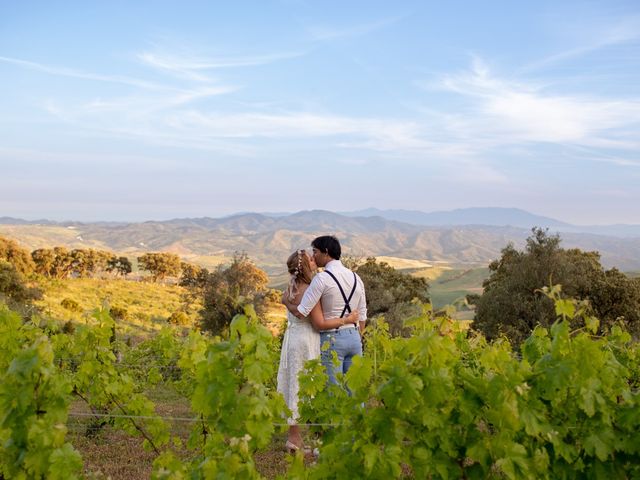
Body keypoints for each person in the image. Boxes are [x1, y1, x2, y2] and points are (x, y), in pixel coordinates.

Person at [277, 249, 359, 453]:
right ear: (307, 266)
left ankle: (293, 438)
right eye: (312, 260)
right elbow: (319, 323)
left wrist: (287, 302)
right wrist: (346, 320)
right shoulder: (311, 290)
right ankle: (319, 438)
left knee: (293, 383)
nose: (315, 262)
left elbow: (289, 306)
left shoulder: (290, 288)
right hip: (307, 340)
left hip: (291, 340)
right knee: (313, 386)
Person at [295, 235, 367, 386]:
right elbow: (362, 314)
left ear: (326, 252)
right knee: (354, 390)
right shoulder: (356, 277)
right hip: (354, 338)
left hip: (332, 339)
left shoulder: (321, 279)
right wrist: (356, 335)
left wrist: (287, 301)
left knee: (333, 392)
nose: (313, 256)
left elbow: (301, 312)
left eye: (315, 251)